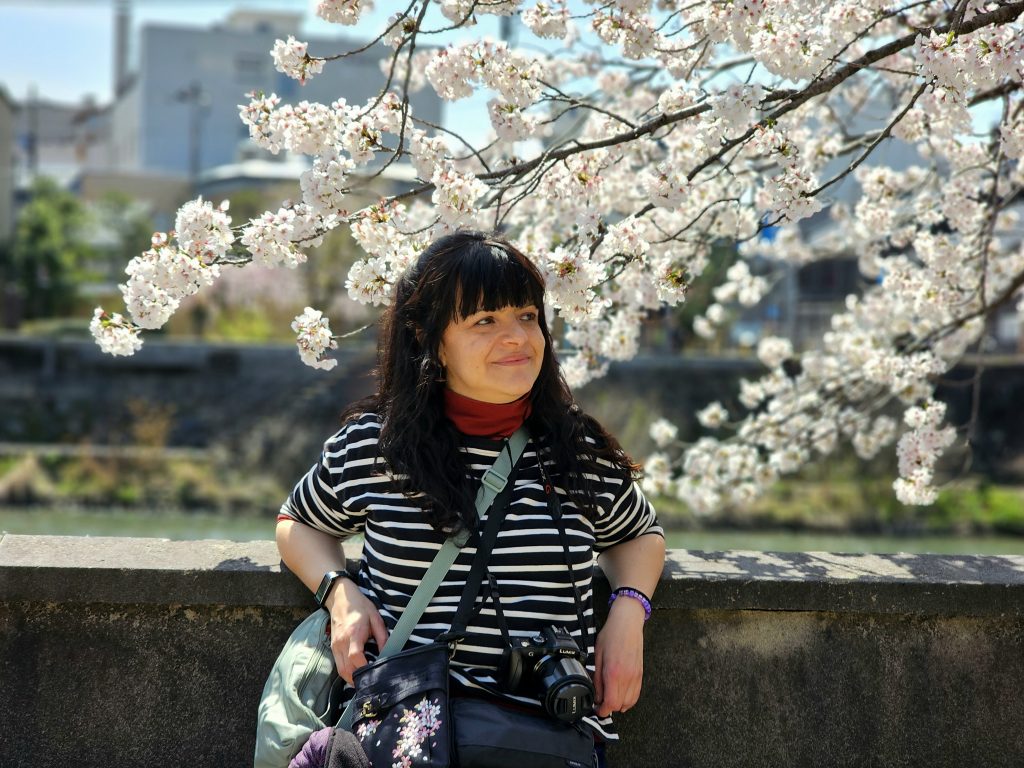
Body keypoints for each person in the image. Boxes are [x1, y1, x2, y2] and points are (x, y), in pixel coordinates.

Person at [276, 230, 666, 767]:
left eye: (527, 316)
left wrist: (628, 612)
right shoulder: (376, 446)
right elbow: (298, 521)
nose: (517, 338)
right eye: (485, 321)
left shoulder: (578, 450)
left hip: (544, 737)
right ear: (432, 340)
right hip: (406, 734)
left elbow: (638, 534)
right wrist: (340, 594)